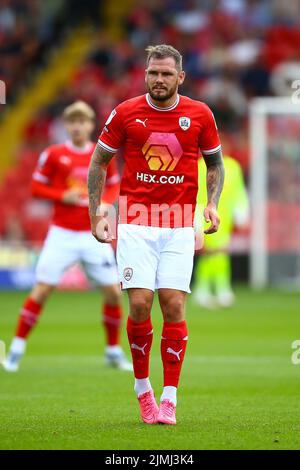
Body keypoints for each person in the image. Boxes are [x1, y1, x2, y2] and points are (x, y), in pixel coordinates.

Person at [88, 45, 224, 425]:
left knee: (174, 306)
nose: (158, 80)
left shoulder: (199, 114)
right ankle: (142, 387)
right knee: (140, 305)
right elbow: (99, 160)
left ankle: (170, 398)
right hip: (135, 223)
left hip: (179, 224)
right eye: (153, 73)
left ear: (181, 77)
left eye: (166, 74)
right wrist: (95, 212)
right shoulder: (126, 112)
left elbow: (215, 162)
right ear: (145, 75)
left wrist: (211, 204)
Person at [3, 101, 132, 373]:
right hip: (61, 234)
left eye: (82, 121)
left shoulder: (103, 154)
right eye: (72, 122)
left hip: (92, 234)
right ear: (66, 125)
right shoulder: (53, 154)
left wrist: (105, 204)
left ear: (90, 125)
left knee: (112, 293)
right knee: (41, 290)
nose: (77, 126)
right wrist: (62, 195)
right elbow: (36, 188)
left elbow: (113, 186)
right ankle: (16, 348)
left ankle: (112, 350)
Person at [193, 153, 249, 308]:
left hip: (225, 215)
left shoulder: (233, 166)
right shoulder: (198, 165)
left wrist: (241, 211)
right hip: (202, 213)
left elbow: (239, 190)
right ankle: (211, 289)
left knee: (220, 252)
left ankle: (215, 289)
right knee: (210, 252)